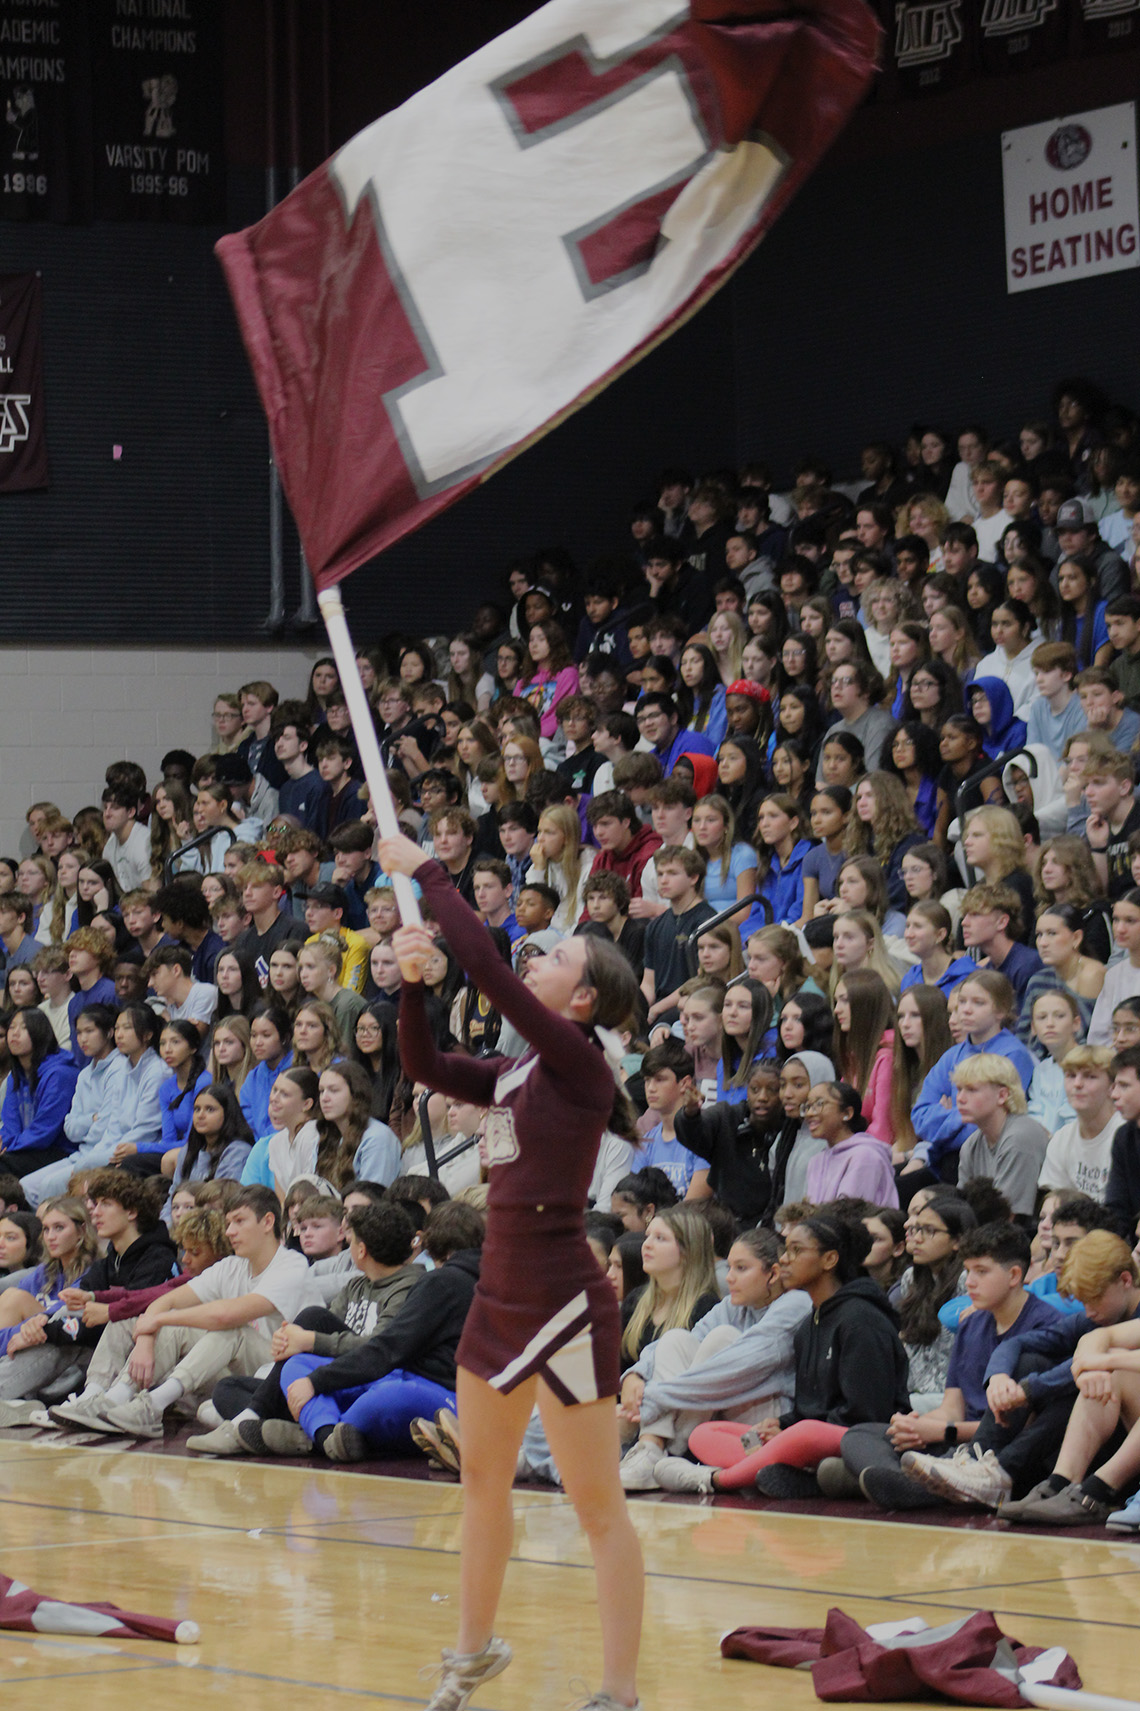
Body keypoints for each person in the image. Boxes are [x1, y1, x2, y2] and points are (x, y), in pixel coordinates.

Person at [380, 829, 646, 1711]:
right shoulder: (521, 1067)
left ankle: (617, 1689)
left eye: (558, 953)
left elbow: (490, 971)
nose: (537, 957)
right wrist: (415, 991)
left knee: (595, 1503)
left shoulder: (582, 1063)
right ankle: (471, 1650)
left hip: (565, 1304)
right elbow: (422, 1065)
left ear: (587, 996)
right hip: (498, 1296)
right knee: (480, 1483)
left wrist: (427, 874)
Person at [653, 1211, 910, 1495]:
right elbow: (807, 1406)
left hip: (862, 1436)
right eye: (786, 1250)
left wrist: (791, 1431)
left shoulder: (861, 1319)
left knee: (806, 1433)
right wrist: (779, 1425)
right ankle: (785, 1473)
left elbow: (868, 1413)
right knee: (706, 1434)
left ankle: (716, 1480)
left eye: (796, 1251)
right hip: (806, 1440)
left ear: (829, 1260)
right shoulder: (809, 1324)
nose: (784, 1259)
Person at [68, 1184, 324, 1438]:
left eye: (239, 1221)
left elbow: (226, 1315)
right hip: (237, 1375)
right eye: (228, 1223)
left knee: (230, 1330)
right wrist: (146, 1338)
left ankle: (154, 1405)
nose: (230, 1231)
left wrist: (158, 1320)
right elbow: (165, 1301)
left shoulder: (292, 1267)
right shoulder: (231, 1266)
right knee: (171, 1325)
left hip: (284, 1379)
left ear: (268, 1222)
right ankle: (113, 1398)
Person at [616, 1227, 811, 1490]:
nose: (729, 1278)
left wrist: (651, 1399)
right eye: (729, 1267)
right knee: (676, 1340)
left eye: (741, 1268)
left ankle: (670, 1453)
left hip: (762, 1429)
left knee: (722, 1338)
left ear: (774, 1273)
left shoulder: (795, 1304)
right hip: (706, 1421)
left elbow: (732, 1369)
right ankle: (651, 1449)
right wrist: (635, 1376)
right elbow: (682, 1341)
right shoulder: (733, 1305)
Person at [952, 1054, 1050, 1217]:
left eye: (971, 1090)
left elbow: (1010, 1217)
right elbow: (963, 1210)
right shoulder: (971, 1145)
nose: (960, 1098)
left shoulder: (1020, 1137)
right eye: (959, 1089)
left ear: (1002, 1095)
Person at [1039, 1046, 1122, 1201]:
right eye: (1070, 1075)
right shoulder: (1061, 1138)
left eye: (1090, 1076)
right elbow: (1054, 1201)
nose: (1077, 1084)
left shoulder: (1126, 1135)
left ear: (1112, 1087)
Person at [803, 1080, 897, 1206]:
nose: (809, 1113)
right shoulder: (816, 1161)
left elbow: (850, 1216)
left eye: (819, 1104)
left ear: (847, 1113)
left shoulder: (865, 1156)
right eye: (807, 1106)